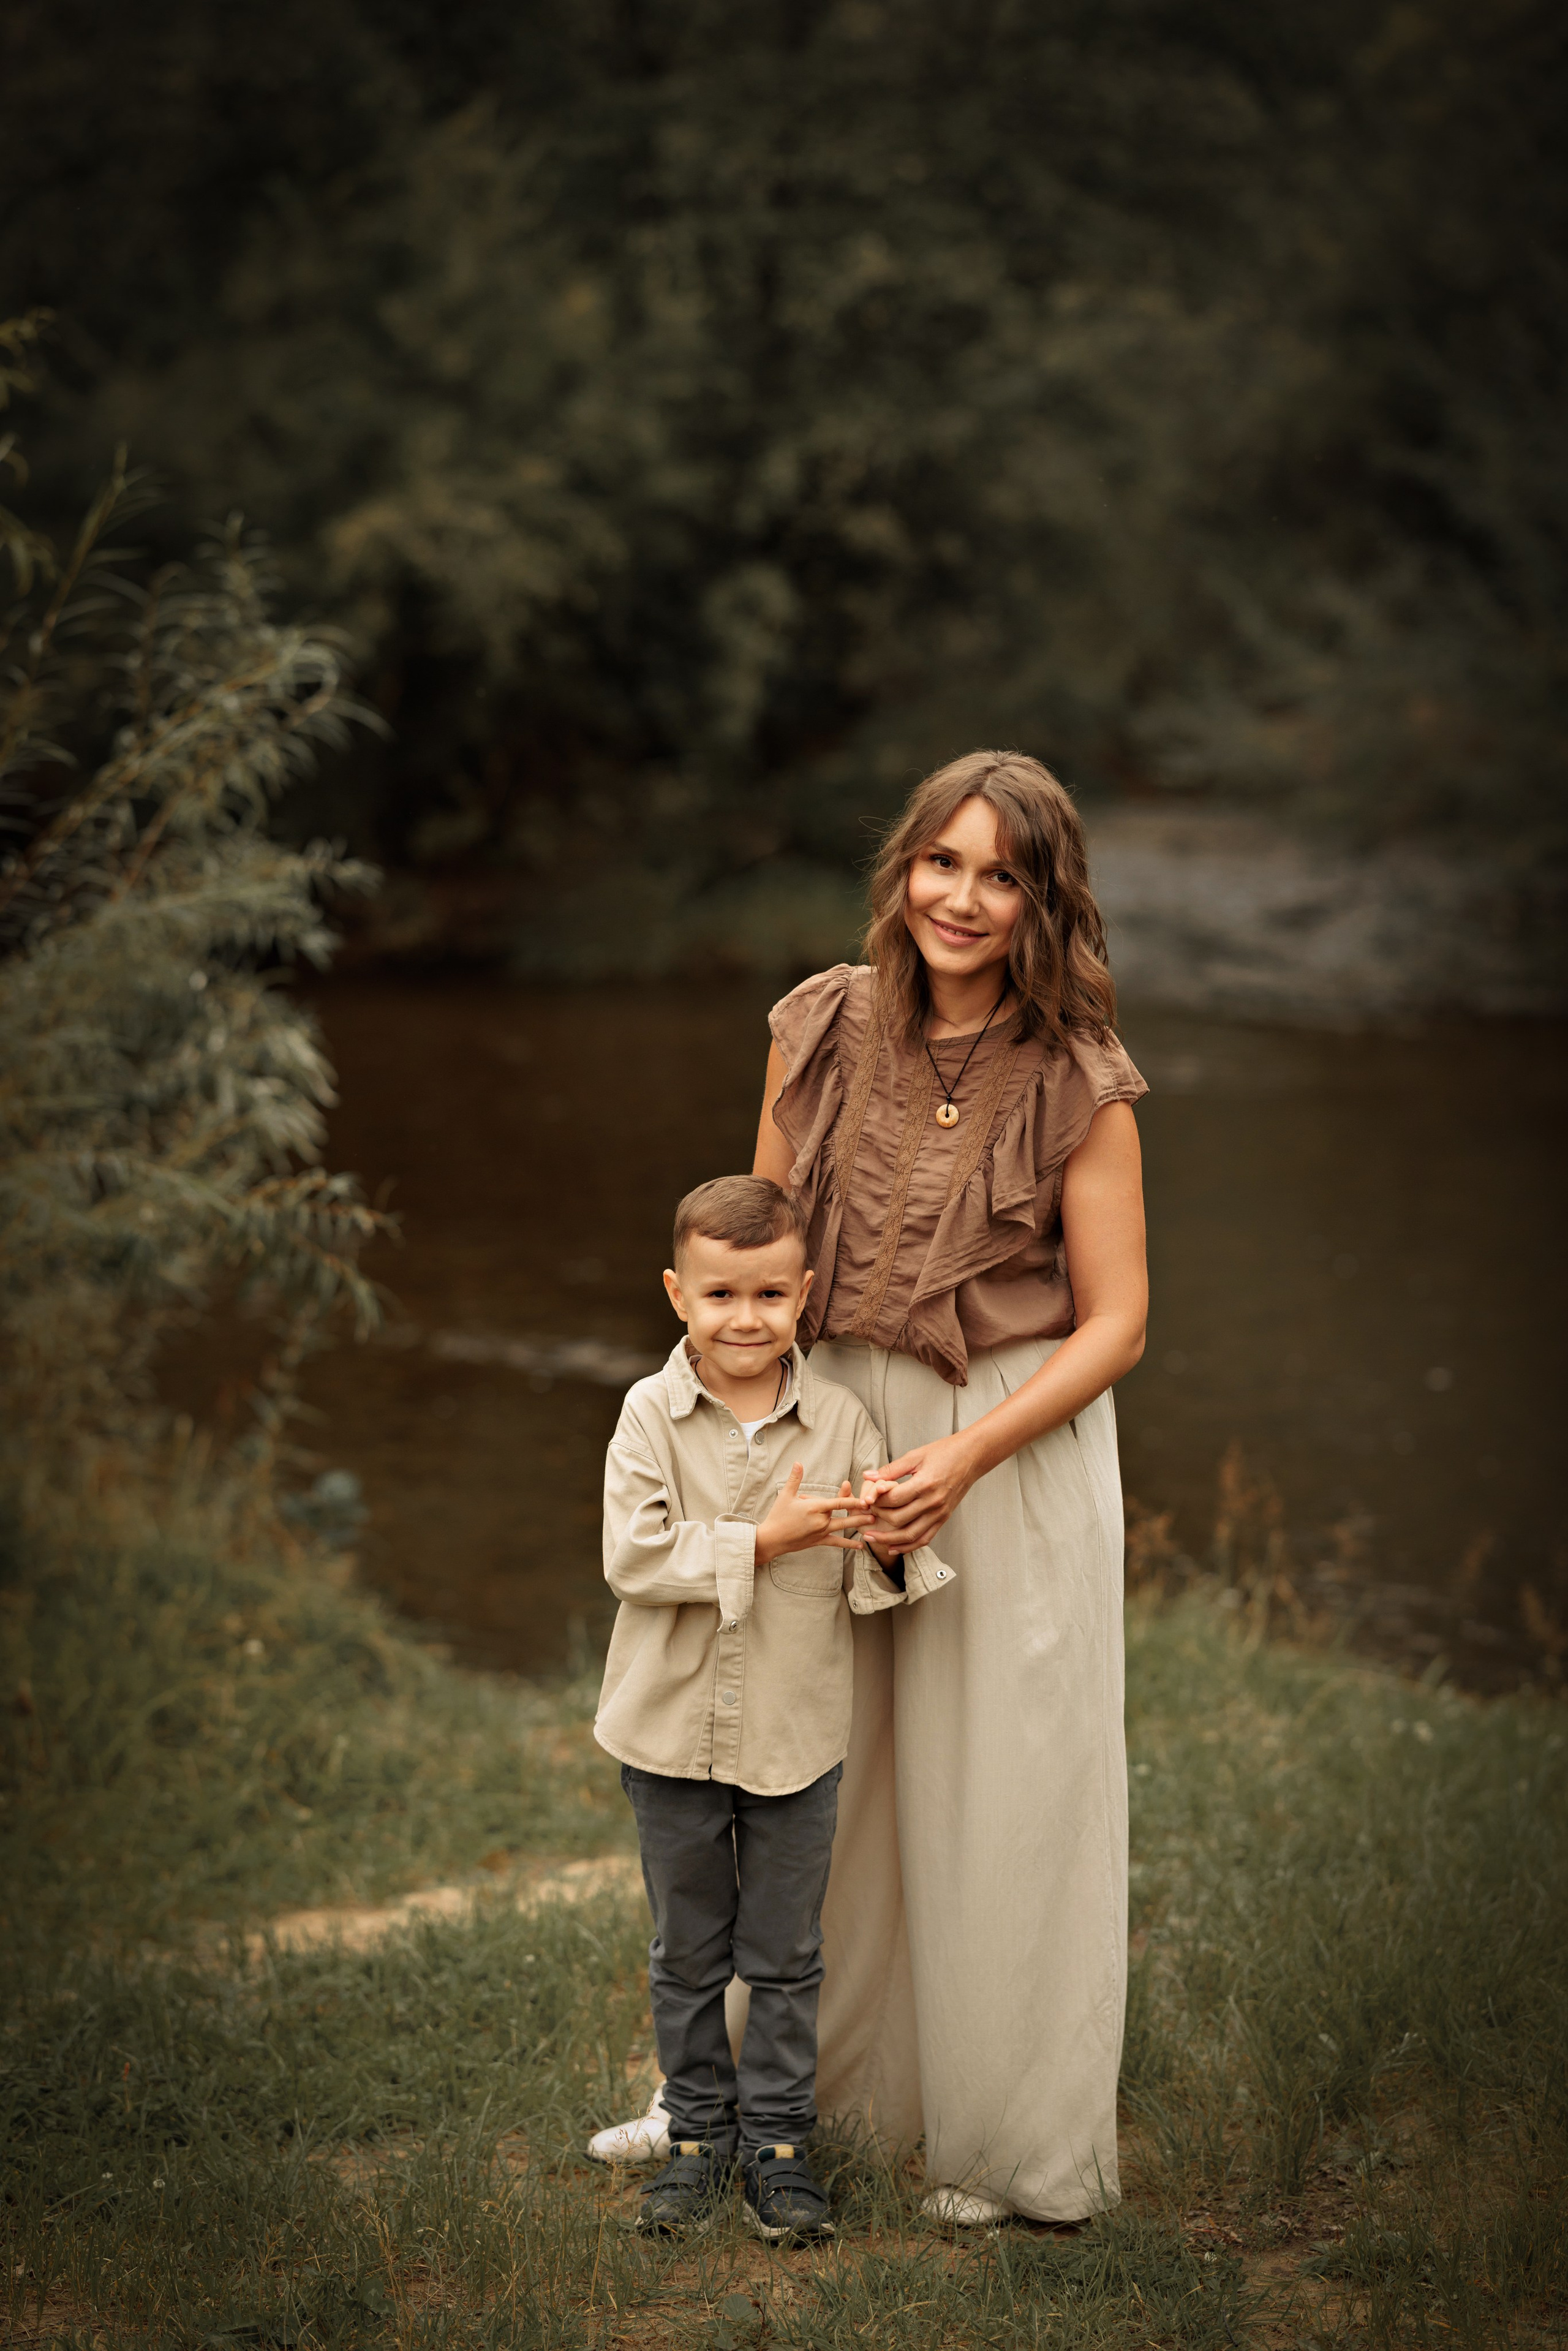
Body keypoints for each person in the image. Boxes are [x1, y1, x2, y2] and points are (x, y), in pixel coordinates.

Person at [590, 750, 1148, 2227]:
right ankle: (739, 2098)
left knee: (998, 1787)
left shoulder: (1082, 1078)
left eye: (1000, 875)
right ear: (902, 867)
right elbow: (758, 1250)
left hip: (998, 1445)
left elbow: (1116, 1323)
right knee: (800, 1769)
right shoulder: (818, 1024)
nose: (961, 898)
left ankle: (1005, 2142)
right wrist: (725, 1434)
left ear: (1042, 902)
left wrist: (962, 1457)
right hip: (826, 1423)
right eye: (939, 861)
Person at [594, 1174, 956, 2238]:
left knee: (788, 1954)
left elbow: (869, 1582)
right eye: (719, 1295)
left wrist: (888, 1538)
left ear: (804, 1295)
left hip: (795, 1738)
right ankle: (696, 2138)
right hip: (669, 1734)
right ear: (678, 1294)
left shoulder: (840, 1421)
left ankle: (781, 2147)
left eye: (767, 1294)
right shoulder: (648, 1414)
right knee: (687, 1951)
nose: (744, 1318)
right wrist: (761, 1541)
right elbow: (633, 1558)